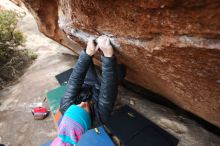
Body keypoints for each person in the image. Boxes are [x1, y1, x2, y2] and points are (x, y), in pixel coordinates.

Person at [51, 35, 122, 146]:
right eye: (84, 109)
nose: (82, 103)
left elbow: (75, 80)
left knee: (85, 60)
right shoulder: (100, 117)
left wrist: (88, 53)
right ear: (88, 119)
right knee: (119, 71)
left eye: (76, 105)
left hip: (88, 84)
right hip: (99, 91)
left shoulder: (65, 105)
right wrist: (108, 56)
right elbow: (108, 89)